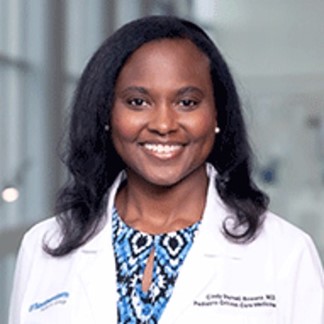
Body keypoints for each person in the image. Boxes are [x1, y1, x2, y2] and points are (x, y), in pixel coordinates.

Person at [9, 16, 323, 324]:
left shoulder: (285, 253)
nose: (163, 125)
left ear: (217, 115)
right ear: (106, 112)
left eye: (186, 103)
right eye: (137, 102)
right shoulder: (44, 246)